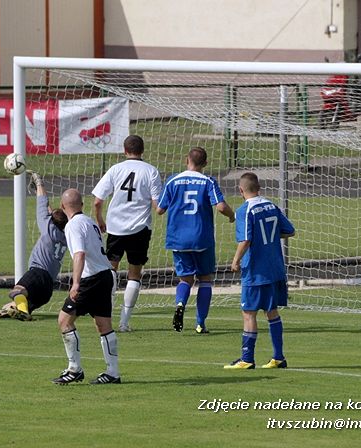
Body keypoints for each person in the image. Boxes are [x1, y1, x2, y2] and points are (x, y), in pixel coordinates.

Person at [157, 146, 235, 334]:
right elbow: (221, 207)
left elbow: (160, 209)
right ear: (205, 164)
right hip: (202, 238)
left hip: (178, 239)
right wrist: (232, 216)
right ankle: (200, 323)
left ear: (187, 160)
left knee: (185, 279)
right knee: (205, 279)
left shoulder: (172, 181)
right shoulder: (208, 181)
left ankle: (181, 303)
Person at [225, 172, 295, 369]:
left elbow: (246, 239)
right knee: (272, 312)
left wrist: (236, 260)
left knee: (248, 313)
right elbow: (290, 231)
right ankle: (278, 357)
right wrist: (270, 237)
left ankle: (247, 359)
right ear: (259, 188)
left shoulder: (245, 210)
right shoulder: (271, 206)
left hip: (256, 270)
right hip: (275, 268)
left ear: (241, 190)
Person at [92, 135, 162, 332]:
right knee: (134, 274)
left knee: (110, 271)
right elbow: (158, 207)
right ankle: (124, 323)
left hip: (115, 228)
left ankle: (106, 317)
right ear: (143, 150)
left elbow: (97, 200)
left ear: (125, 150)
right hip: (139, 229)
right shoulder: (151, 171)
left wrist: (100, 220)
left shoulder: (116, 169)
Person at [52, 188, 119, 385]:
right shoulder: (90, 222)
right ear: (81, 205)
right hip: (106, 275)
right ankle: (113, 372)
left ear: (64, 207)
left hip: (91, 280)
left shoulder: (73, 225)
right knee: (103, 325)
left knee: (64, 321)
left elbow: (79, 254)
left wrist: (76, 283)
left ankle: (74, 369)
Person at [0, 173, 68, 321]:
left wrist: (39, 183)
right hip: (48, 288)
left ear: (51, 221)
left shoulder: (48, 229)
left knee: (16, 291)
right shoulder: (64, 236)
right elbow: (52, 214)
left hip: (38, 273)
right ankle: (15, 310)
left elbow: (42, 204)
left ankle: (23, 312)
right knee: (12, 304)